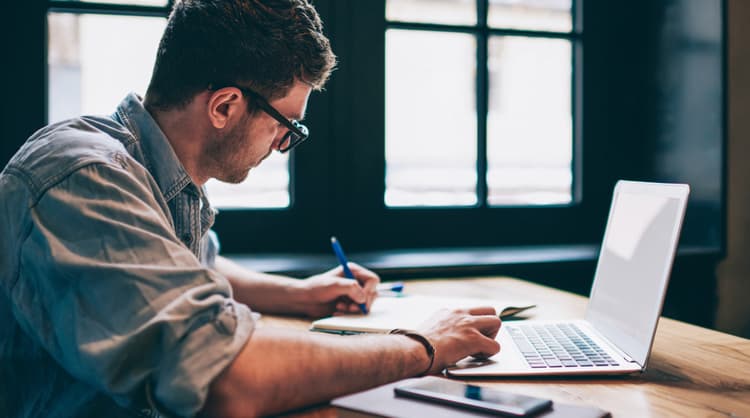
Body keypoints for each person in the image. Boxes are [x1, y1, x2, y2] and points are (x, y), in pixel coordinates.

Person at [0, 0, 502, 416]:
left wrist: (303, 296)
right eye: (289, 125)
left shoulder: (153, 170)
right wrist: (423, 344)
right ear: (224, 106)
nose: (286, 143)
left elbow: (193, 267)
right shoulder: (83, 178)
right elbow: (229, 377)